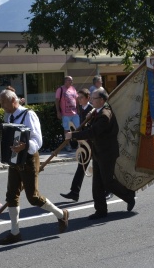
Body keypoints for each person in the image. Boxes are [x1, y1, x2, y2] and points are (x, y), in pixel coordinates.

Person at [0, 89, 68, 245]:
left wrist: (25, 145)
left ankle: (61, 214)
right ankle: (15, 232)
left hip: (28, 158)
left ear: (13, 101)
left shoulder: (29, 115)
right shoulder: (9, 116)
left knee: (33, 197)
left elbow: (38, 140)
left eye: (3, 102)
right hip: (14, 159)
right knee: (11, 195)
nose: (1, 106)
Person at [66, 88, 136, 219]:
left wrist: (73, 135)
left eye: (94, 98)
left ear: (102, 100)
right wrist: (89, 119)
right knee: (97, 182)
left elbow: (93, 132)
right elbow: (91, 129)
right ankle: (101, 210)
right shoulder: (97, 112)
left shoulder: (105, 114)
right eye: (91, 98)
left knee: (107, 182)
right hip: (98, 151)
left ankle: (129, 195)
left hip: (107, 152)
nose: (91, 100)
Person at [60, 89, 113, 202]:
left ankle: (109, 191)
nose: (79, 100)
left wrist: (76, 135)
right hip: (85, 144)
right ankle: (75, 192)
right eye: (77, 98)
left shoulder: (93, 110)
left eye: (81, 98)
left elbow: (93, 130)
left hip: (93, 144)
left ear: (88, 98)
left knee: (101, 169)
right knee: (81, 166)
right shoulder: (82, 110)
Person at [55, 76, 80, 152]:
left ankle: (79, 144)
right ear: (65, 81)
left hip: (74, 113)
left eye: (72, 80)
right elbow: (57, 101)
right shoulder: (60, 89)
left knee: (78, 128)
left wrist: (78, 109)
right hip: (65, 114)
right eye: (70, 80)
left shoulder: (73, 89)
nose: (71, 82)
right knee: (66, 129)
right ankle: (68, 145)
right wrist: (58, 111)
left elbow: (76, 100)